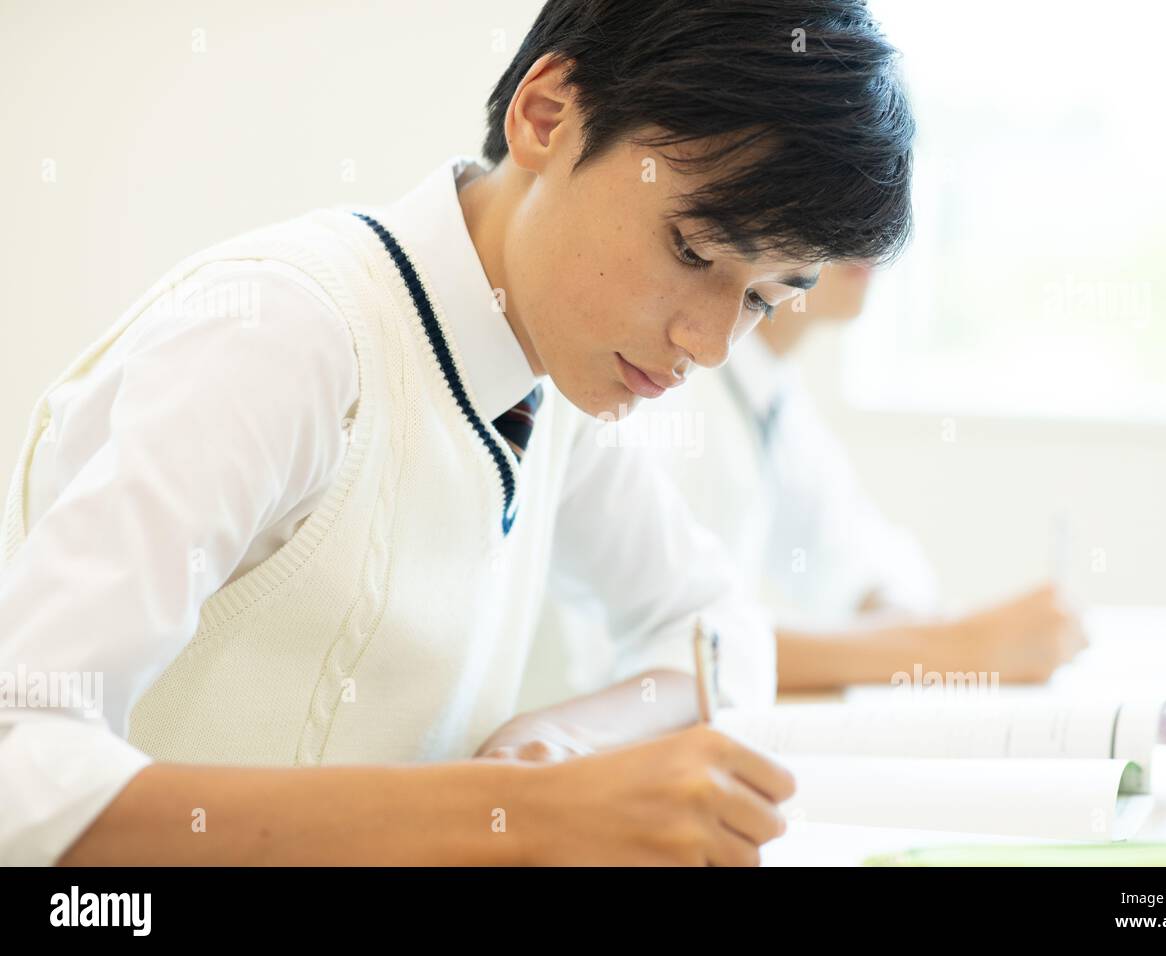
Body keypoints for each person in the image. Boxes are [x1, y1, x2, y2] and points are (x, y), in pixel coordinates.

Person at [0, 1, 913, 865]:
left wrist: (556, 745)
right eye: (692, 252)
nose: (708, 345)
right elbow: (22, 768)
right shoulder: (286, 333)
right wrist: (519, 819)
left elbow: (713, 631)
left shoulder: (554, 374)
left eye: (760, 298)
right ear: (548, 114)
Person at [520, 262, 1087, 709]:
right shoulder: (657, 391)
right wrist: (952, 651)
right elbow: (664, 644)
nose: (867, 234)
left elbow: (863, 562)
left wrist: (911, 629)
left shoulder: (774, 396)